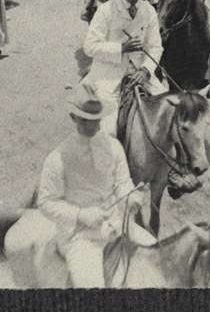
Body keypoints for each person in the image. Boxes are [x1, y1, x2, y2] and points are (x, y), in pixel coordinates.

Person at [31, 86, 145, 289]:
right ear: (73, 118)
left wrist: (131, 196)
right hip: (80, 236)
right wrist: (80, 214)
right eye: (85, 120)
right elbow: (46, 202)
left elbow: (122, 182)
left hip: (117, 226)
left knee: (159, 258)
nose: (92, 126)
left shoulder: (114, 147)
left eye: (95, 119)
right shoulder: (58, 158)